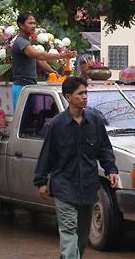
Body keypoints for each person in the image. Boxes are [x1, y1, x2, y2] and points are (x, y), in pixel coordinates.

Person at [33, 76, 119, 259]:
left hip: (88, 187)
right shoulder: (56, 125)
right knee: (69, 230)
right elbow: (47, 155)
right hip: (64, 186)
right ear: (68, 97)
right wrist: (41, 181)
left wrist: (111, 169)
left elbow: (104, 148)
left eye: (86, 92)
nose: (85, 97)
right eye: (80, 93)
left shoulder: (95, 121)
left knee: (81, 236)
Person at [12, 12, 77, 109]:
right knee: (24, 121)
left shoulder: (26, 41)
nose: (33, 26)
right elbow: (39, 55)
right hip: (22, 87)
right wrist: (63, 55)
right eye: (30, 23)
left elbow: (38, 60)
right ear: (21, 25)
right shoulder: (21, 42)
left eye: (34, 23)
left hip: (29, 86)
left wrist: (52, 71)